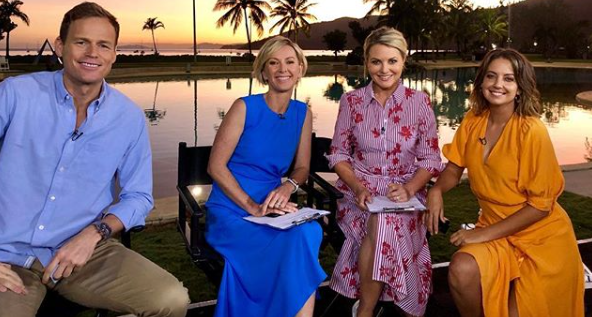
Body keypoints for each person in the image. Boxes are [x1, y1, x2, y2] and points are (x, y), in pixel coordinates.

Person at [0, 2, 189, 317]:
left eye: (103, 45)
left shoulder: (128, 117)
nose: (92, 53)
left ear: (114, 54)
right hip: (8, 255)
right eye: (81, 42)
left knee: (171, 299)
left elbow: (139, 196)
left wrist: (94, 234)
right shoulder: (16, 95)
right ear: (61, 46)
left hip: (83, 252)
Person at [425, 48, 584, 317]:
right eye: (491, 76)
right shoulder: (473, 121)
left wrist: (480, 234)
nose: (498, 85)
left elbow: (541, 206)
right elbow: (453, 167)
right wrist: (437, 190)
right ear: (482, 82)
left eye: (509, 79)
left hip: (541, 238)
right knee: (461, 270)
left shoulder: (532, 132)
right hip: (496, 228)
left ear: (520, 88)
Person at [326, 27, 444, 317]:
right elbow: (339, 154)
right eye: (376, 61)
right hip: (359, 195)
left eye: (392, 61)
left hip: (407, 193)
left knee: (385, 221)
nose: (384, 69)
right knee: (382, 220)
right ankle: (380, 309)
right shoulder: (351, 102)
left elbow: (431, 157)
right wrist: (357, 187)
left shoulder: (420, 102)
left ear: (403, 61)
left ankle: (363, 310)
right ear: (367, 62)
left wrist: (410, 188)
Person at [205, 36, 325, 317]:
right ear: (264, 71)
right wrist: (251, 207)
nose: (282, 69)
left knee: (309, 230)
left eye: (289, 62)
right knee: (291, 242)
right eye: (274, 62)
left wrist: (288, 186)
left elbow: (302, 168)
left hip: (272, 204)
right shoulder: (244, 107)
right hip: (232, 209)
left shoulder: (302, 113)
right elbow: (216, 167)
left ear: (300, 69)